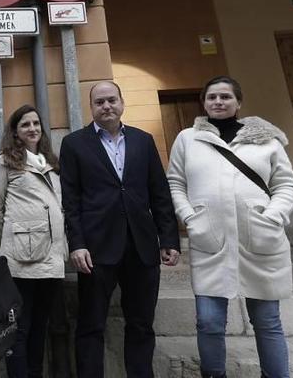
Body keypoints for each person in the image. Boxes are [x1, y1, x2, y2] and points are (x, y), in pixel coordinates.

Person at [166, 76, 293, 378]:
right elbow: (175, 182)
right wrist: (189, 217)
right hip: (210, 241)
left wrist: (274, 216)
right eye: (212, 97)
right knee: (209, 322)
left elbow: (286, 185)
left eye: (225, 97)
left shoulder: (267, 140)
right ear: (203, 103)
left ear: (239, 102)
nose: (218, 102)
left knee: (267, 322)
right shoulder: (188, 139)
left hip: (260, 240)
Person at [59, 81, 180, 378]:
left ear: (122, 102)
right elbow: (70, 199)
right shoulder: (74, 144)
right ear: (92, 108)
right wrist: (76, 243)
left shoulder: (143, 140)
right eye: (99, 102)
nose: (106, 106)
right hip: (96, 251)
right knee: (90, 325)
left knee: (141, 324)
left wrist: (169, 239)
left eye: (111, 100)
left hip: (142, 247)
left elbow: (160, 193)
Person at [0, 105, 67, 378]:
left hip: (52, 257)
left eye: (36, 123)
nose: (32, 128)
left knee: (40, 325)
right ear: (15, 132)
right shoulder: (6, 160)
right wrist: (13, 240)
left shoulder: (50, 161)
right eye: (25, 125)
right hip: (21, 259)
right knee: (20, 325)